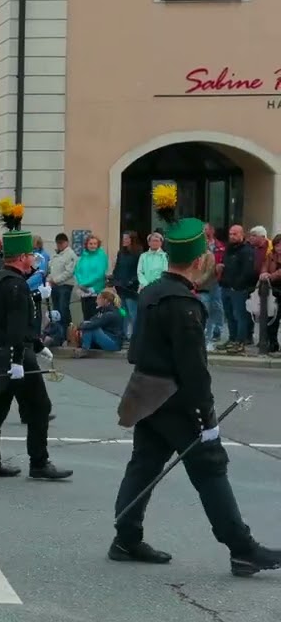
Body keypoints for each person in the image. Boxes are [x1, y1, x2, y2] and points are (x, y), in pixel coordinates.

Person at [111, 185, 279, 576]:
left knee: (144, 465)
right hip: (175, 398)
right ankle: (242, 549)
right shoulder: (184, 303)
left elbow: (136, 351)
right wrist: (207, 418)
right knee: (210, 468)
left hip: (146, 393)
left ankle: (126, 536)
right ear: (200, 259)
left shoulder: (153, 291)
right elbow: (193, 370)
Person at [0, 199, 71, 480]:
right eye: (30, 254)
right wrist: (20, 358)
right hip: (14, 355)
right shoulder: (16, 285)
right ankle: (39, 463)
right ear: (21, 258)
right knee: (39, 407)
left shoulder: (0, 279)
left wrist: (40, 345)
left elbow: (8, 316)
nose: (34, 257)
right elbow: (16, 326)